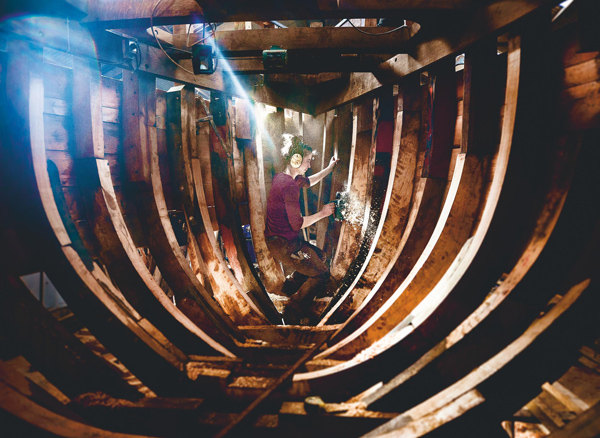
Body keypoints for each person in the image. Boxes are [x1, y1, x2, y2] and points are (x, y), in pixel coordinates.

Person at [265, 134, 338, 325]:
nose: (309, 165)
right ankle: (293, 309)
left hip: (284, 241)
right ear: (295, 159)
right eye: (307, 161)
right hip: (284, 246)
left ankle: (287, 290)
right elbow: (297, 224)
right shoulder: (288, 186)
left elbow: (309, 181)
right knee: (322, 274)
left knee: (319, 256)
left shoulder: (286, 178)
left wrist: (329, 168)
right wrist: (323, 213)